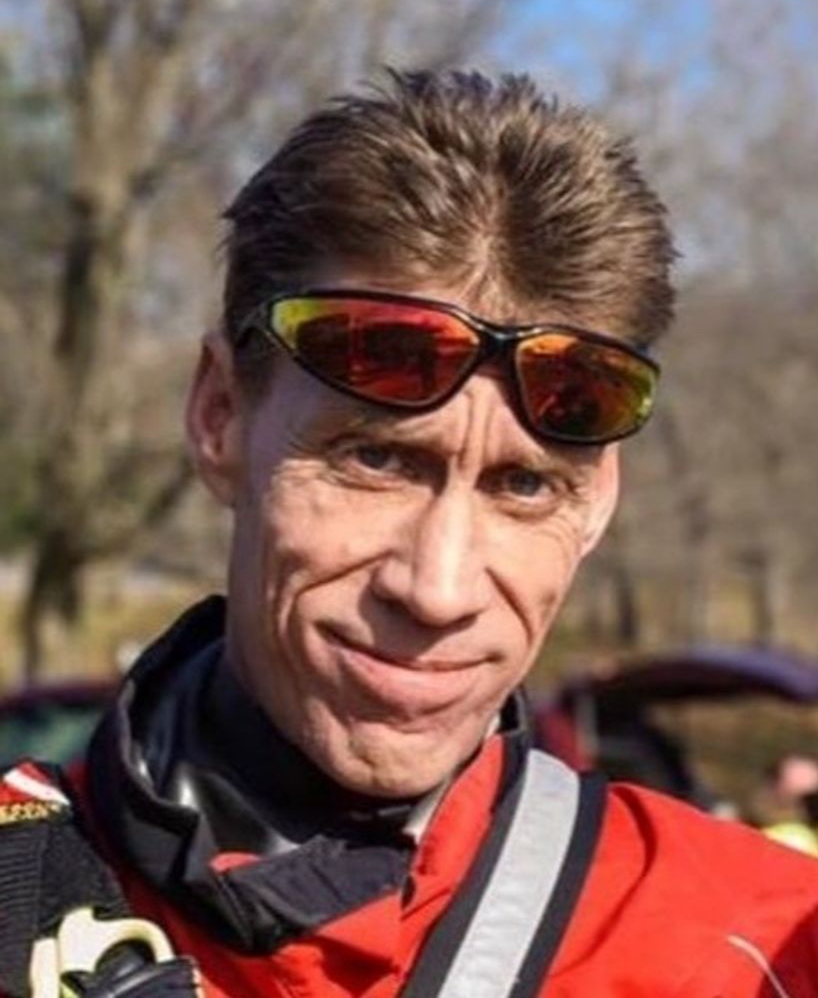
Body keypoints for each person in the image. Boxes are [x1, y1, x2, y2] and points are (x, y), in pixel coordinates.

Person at [4, 68, 818, 998]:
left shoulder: (765, 948)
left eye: (524, 484)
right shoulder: (14, 893)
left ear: (596, 503)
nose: (439, 589)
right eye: (376, 459)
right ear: (220, 416)